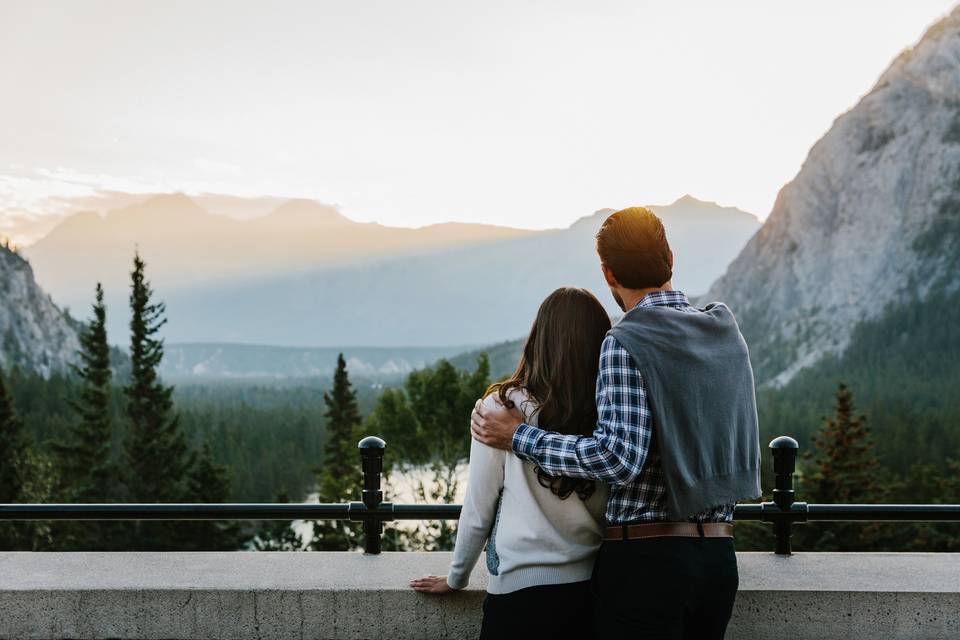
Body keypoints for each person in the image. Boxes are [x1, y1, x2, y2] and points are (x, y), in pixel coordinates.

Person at [471, 206, 762, 639]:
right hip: (719, 558)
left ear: (608, 275)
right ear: (670, 258)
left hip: (646, 562)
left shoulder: (624, 340)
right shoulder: (722, 327)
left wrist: (520, 436)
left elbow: (617, 458)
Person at [410, 287, 611, 638]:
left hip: (518, 597)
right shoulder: (607, 415)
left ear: (538, 339)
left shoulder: (502, 409)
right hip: (590, 595)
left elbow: (478, 506)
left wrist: (457, 577)